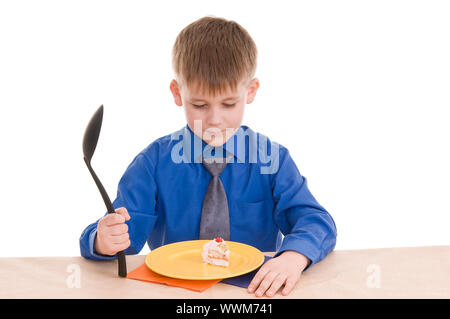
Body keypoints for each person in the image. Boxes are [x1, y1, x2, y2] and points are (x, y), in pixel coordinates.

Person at [80, 16, 337, 298]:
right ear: (177, 93)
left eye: (228, 104)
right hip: (176, 292)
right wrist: (103, 240)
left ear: (250, 92)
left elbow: (315, 221)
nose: (214, 119)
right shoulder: (153, 163)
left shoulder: (271, 159)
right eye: (199, 105)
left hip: (254, 292)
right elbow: (123, 235)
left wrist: (293, 257)